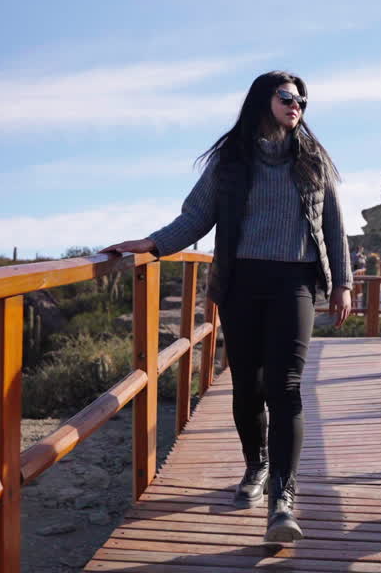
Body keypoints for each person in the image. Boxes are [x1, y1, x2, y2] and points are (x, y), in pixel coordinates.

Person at [101, 71, 352, 544]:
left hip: (294, 282)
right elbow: (196, 217)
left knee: (286, 385)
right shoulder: (231, 161)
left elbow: (333, 224)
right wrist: (152, 244)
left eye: (302, 99)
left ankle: (283, 495)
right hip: (241, 282)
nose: (296, 104)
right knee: (247, 384)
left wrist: (343, 282)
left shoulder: (313, 160)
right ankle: (255, 463)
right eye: (286, 97)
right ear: (263, 101)